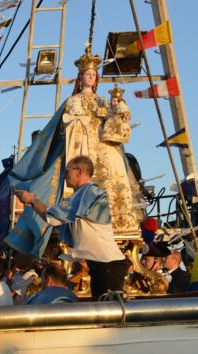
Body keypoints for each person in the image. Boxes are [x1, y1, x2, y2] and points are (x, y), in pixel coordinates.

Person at [14, 155, 127, 296]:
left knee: (109, 313)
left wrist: (33, 200)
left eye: (67, 171)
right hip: (101, 265)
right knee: (104, 312)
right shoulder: (83, 195)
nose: (63, 175)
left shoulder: (90, 192)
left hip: (108, 265)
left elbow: (53, 218)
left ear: (80, 172)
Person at [63, 48, 141, 237]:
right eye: (87, 74)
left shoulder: (103, 101)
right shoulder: (74, 100)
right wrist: (87, 120)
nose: (91, 77)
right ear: (80, 77)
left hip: (102, 145)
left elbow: (111, 122)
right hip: (84, 145)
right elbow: (70, 120)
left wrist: (118, 112)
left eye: (93, 74)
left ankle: (118, 221)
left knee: (113, 177)